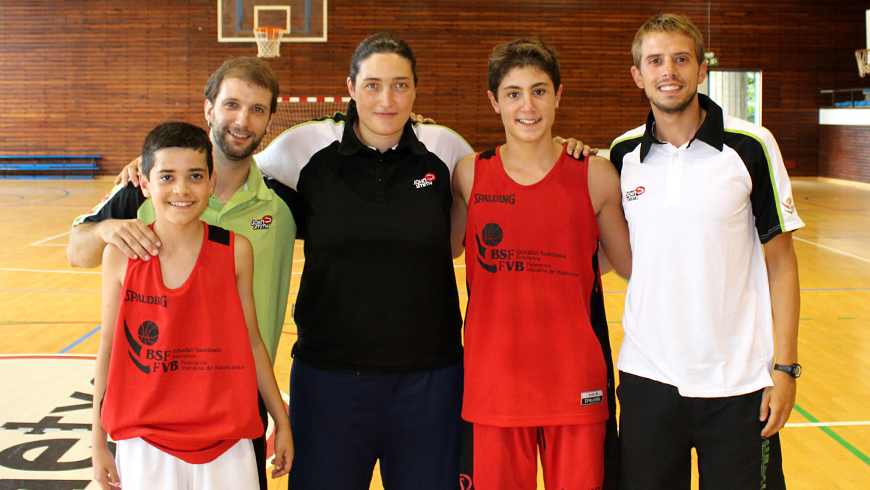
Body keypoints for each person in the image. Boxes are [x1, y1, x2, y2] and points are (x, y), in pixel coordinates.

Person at [67, 57, 297, 490]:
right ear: (209, 108)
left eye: (257, 109)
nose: (242, 120)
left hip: (233, 408)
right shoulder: (137, 194)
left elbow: (252, 338)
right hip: (151, 416)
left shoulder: (283, 202)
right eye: (231, 104)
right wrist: (104, 228)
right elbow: (78, 254)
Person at [608, 14, 802, 490]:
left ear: (701, 69)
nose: (668, 71)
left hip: (737, 384)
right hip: (646, 379)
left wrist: (786, 367)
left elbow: (781, 262)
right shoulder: (621, 155)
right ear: (638, 74)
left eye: (680, 59)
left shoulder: (751, 145)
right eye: (655, 61)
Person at [449, 39, 631, 490]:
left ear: (558, 95)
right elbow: (444, 250)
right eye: (513, 93)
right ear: (494, 101)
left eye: (539, 90)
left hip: (576, 385)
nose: (527, 105)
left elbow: (624, 263)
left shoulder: (595, 174)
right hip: (494, 387)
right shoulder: (470, 174)